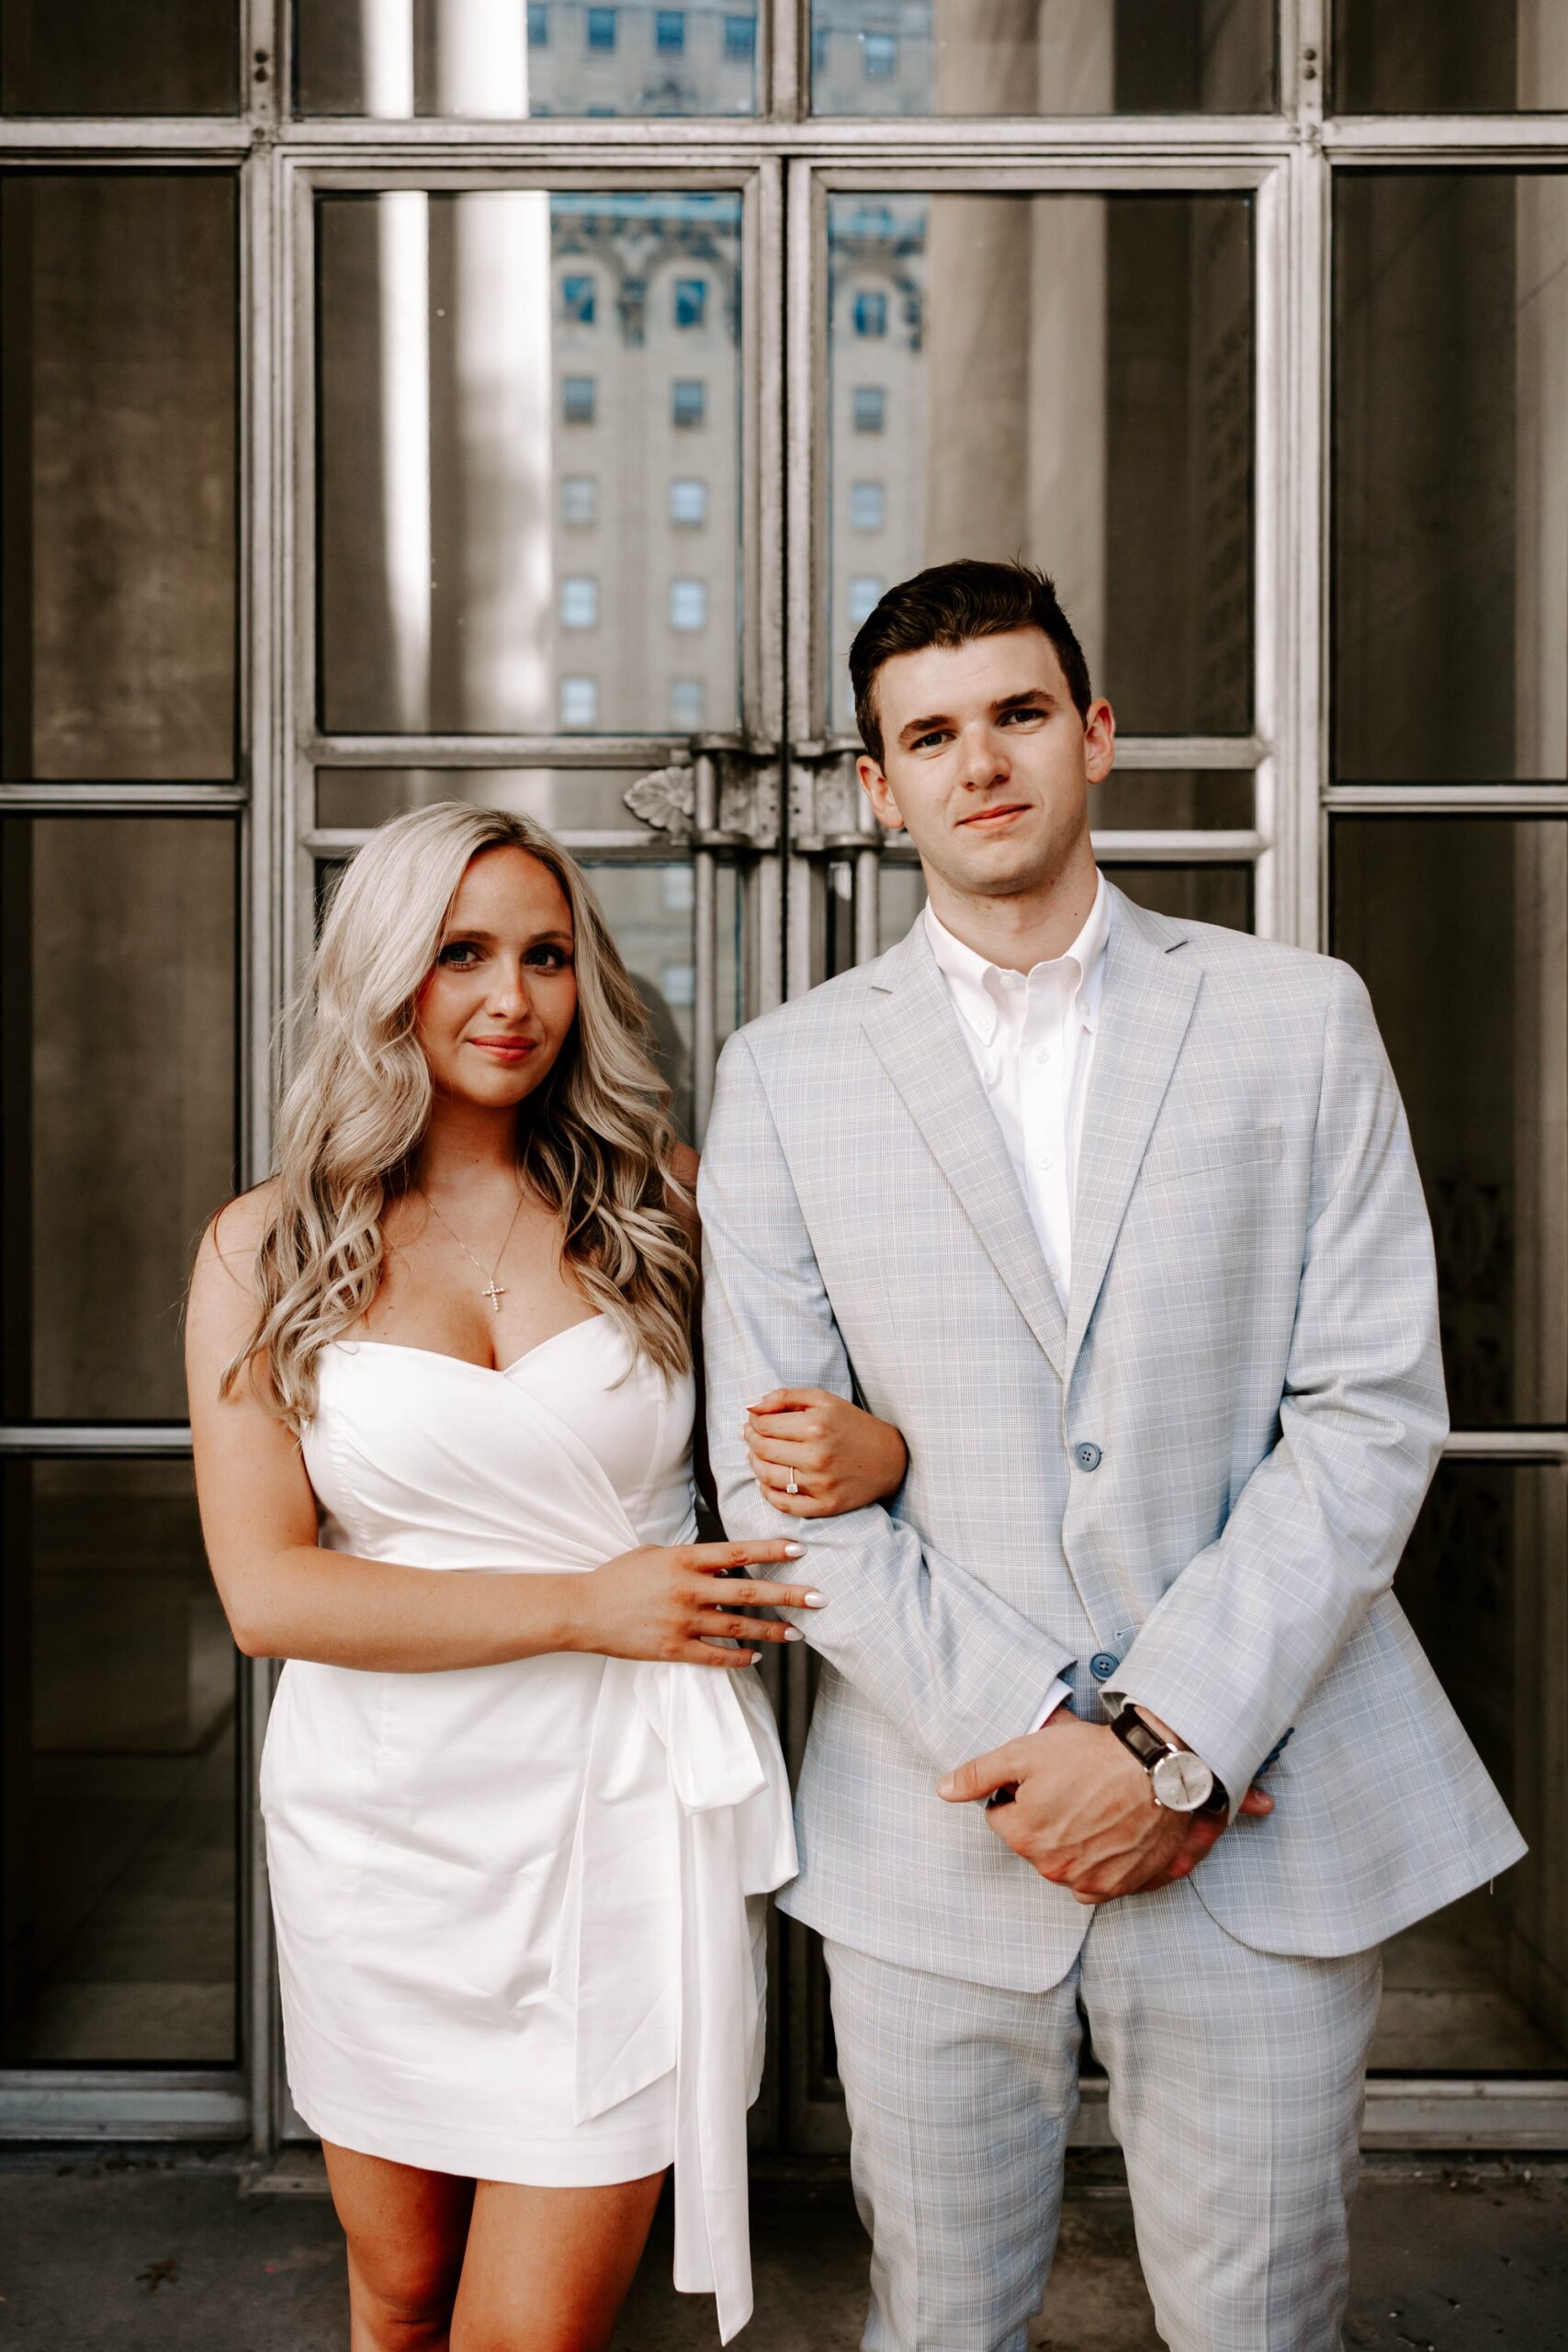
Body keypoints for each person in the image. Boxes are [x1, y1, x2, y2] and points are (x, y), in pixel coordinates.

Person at [699, 560, 1526, 2352]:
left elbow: (1369, 1409)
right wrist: (1051, 1740)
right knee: (937, 2323)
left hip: (1259, 1805)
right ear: (874, 786)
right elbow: (770, 1476)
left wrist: (1162, 1742)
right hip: (942, 1818)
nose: (975, 761)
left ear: (1093, 735)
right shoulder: (780, 1075)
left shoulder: (1297, 1017)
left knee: (1257, 2322)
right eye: (926, 734)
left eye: (1013, 714)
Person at [185, 804, 909, 2352]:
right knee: (399, 2297)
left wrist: (885, 1452)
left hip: (624, 1826)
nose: (510, 998)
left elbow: (878, 1416)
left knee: (532, 2337)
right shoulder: (266, 1249)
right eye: (461, 955)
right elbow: (271, 1597)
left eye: (546, 957)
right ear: (387, 975)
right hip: (381, 1836)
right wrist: (589, 1605)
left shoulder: (672, 1206)